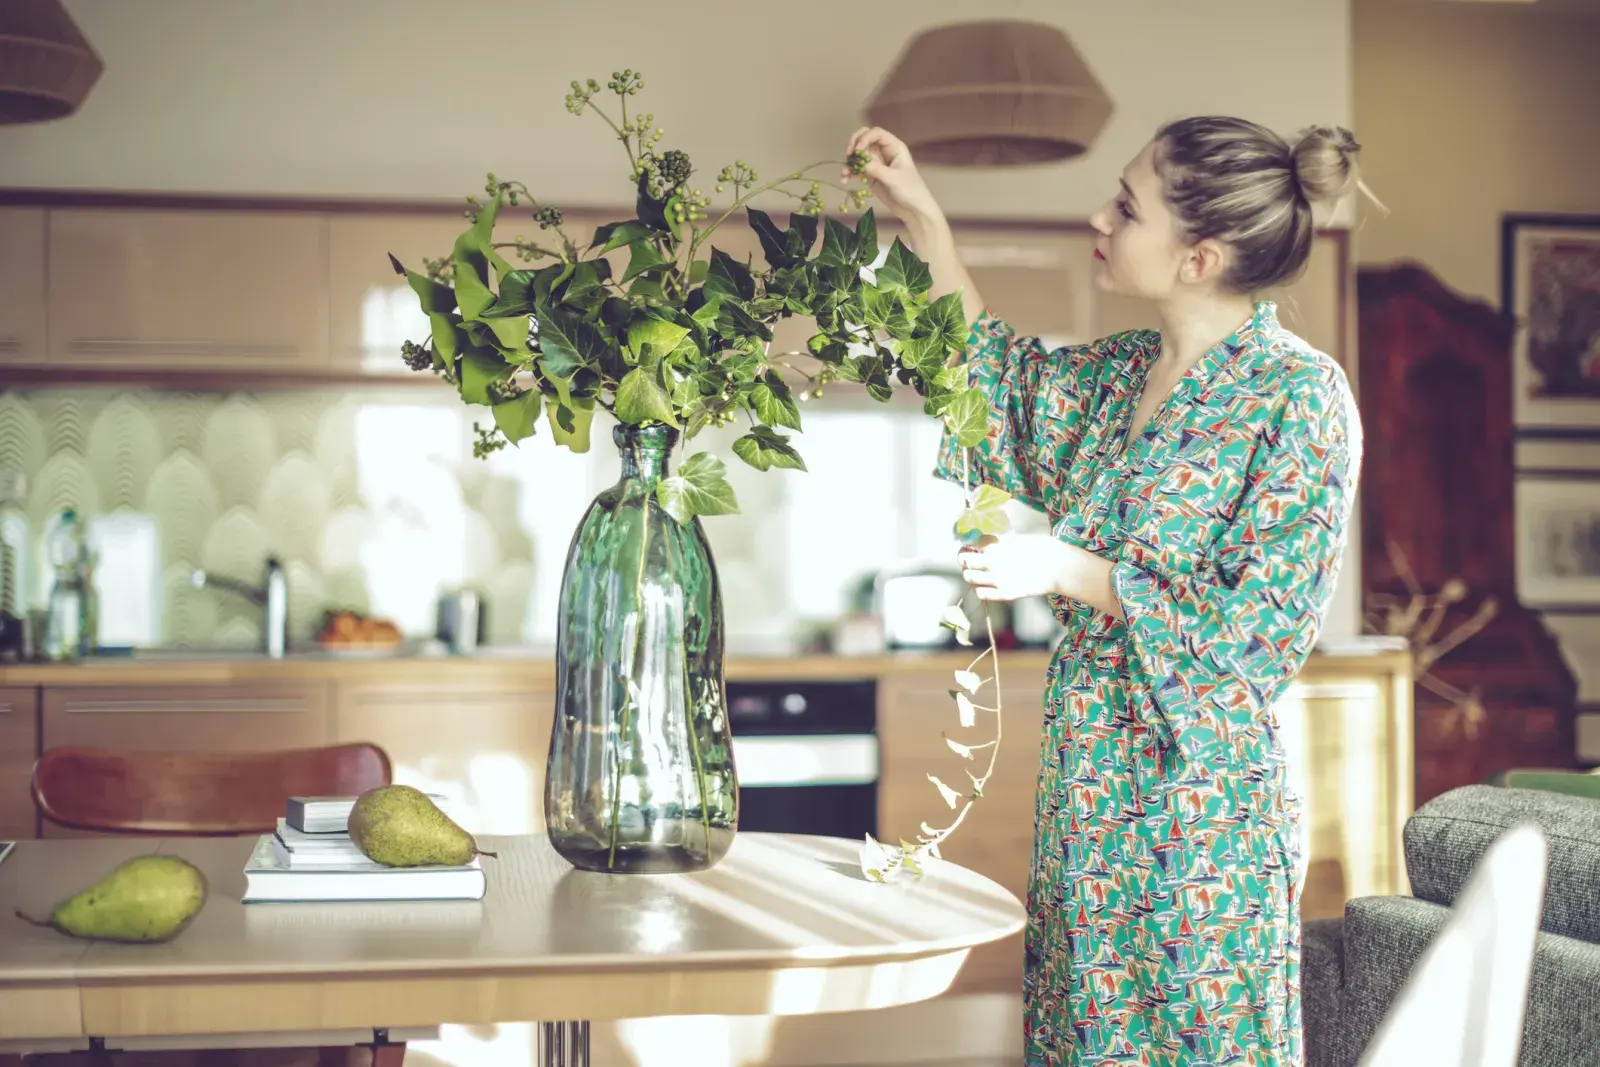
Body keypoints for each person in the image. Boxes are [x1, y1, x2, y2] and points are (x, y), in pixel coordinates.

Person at [843, 117, 1368, 1065]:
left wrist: (1070, 570)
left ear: (1198, 256)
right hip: (1085, 804)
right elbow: (996, 381)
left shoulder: (1301, 399)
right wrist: (924, 221)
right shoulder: (1121, 375)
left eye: (1127, 205)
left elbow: (1260, 638)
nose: (1099, 213)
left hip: (1198, 824)